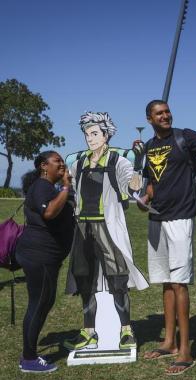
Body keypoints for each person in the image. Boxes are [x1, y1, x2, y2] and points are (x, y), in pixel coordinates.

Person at [139, 99, 196, 375]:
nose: (165, 115)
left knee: (179, 283)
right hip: (156, 218)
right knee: (166, 282)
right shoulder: (148, 148)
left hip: (180, 217)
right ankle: (169, 342)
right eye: (159, 113)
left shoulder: (184, 136)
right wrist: (144, 198)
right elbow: (152, 183)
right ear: (149, 118)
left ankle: (186, 351)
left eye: (167, 111)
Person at [63, 112, 149, 352]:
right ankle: (89, 331)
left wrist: (139, 165)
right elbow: (71, 191)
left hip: (107, 227)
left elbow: (133, 188)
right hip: (83, 228)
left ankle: (126, 331)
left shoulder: (117, 161)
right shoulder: (78, 163)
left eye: (95, 134)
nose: (90, 139)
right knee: (84, 279)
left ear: (106, 134)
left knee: (118, 279)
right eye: (87, 134)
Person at [16, 151, 75, 373]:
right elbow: (49, 212)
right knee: (39, 303)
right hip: (39, 255)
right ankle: (29, 359)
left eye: (62, 160)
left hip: (45, 256)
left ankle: (29, 355)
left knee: (43, 302)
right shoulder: (42, 186)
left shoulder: (49, 187)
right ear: (44, 166)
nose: (62, 163)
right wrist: (66, 188)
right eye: (57, 161)